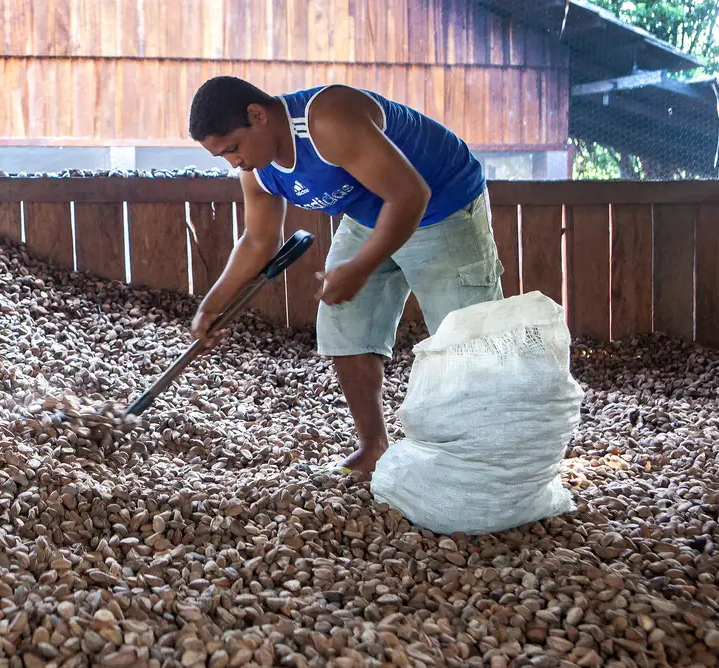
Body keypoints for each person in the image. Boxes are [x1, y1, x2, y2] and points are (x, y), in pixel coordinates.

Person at [186, 76, 504, 477]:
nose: (234, 163)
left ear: (257, 116)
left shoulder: (327, 121)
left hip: (441, 203)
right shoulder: (258, 170)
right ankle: (373, 447)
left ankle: (487, 462)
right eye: (222, 157)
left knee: (467, 339)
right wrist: (212, 307)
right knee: (342, 325)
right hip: (370, 212)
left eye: (232, 148)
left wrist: (360, 268)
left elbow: (410, 196)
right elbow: (257, 241)